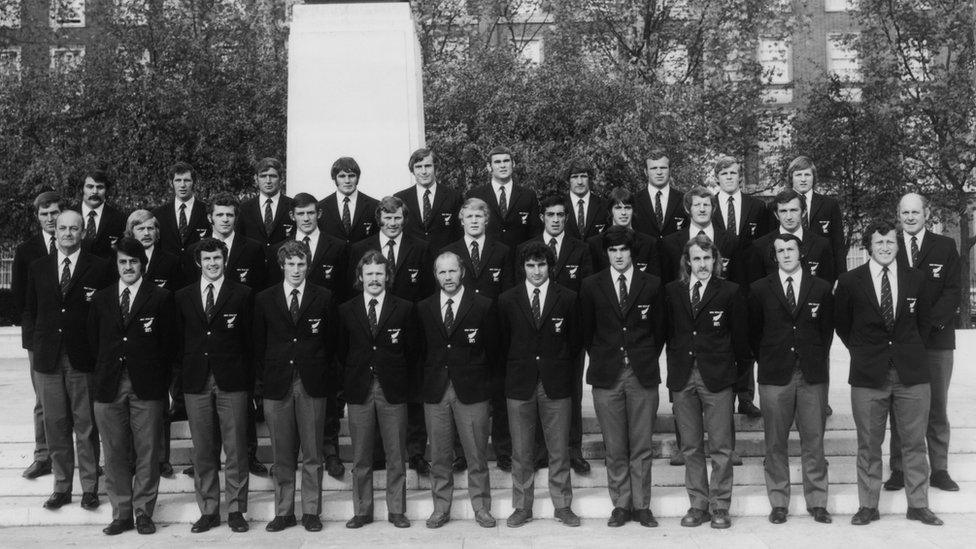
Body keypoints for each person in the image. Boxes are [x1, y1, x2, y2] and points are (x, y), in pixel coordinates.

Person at [835, 220, 943, 526]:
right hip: (869, 375)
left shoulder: (917, 279)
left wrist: (905, 351)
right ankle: (868, 506)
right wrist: (866, 352)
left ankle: (918, 504)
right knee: (868, 444)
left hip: (912, 374)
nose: (885, 247)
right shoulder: (850, 280)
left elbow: (924, 324)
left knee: (913, 442)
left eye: (890, 243)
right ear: (869, 245)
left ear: (898, 245)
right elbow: (843, 324)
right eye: (879, 242)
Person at [24, 210, 113, 511]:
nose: (67, 234)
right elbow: (30, 312)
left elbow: (105, 317)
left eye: (74, 229)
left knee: (85, 425)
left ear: (83, 232)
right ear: (55, 231)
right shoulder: (38, 267)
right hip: (48, 359)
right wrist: (35, 349)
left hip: (82, 358)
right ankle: (62, 487)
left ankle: (90, 488)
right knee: (56, 424)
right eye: (62, 228)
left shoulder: (99, 268)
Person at [88, 237, 176, 535]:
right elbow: (92, 344)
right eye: (123, 262)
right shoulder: (101, 299)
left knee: (148, 451)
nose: (128, 267)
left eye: (134, 261)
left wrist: (160, 384)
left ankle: (143, 512)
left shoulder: (161, 298)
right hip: (109, 385)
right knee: (113, 451)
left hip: (147, 386)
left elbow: (169, 347)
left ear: (143, 264)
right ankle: (121, 512)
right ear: (116, 265)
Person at [580, 226, 665, 528]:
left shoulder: (652, 284)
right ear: (607, 253)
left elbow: (660, 330)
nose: (618, 255)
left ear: (632, 252)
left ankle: (642, 505)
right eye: (613, 250)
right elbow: (586, 332)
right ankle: (621, 504)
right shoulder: (591, 285)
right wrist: (608, 356)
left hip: (641, 373)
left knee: (641, 444)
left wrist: (640, 357)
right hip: (607, 374)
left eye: (623, 250)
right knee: (614, 445)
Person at [747, 233, 834, 525]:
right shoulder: (760, 289)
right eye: (780, 250)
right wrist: (769, 359)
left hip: (811, 373)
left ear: (800, 252)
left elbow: (826, 332)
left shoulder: (820, 288)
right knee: (775, 441)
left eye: (791, 249)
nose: (786, 254)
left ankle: (818, 502)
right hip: (775, 374)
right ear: (775, 256)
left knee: (814, 440)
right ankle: (779, 502)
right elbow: (753, 332)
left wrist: (812, 358)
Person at [253, 240, 338, 532]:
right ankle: (284, 511)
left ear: (308, 265)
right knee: (282, 453)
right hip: (277, 385)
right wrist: (263, 383)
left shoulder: (324, 297)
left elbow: (331, 344)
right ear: (282, 265)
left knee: (313, 452)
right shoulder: (265, 299)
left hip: (311, 383)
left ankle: (311, 511)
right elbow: (257, 345)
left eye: (301, 264)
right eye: (291, 264)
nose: (296, 269)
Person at [665, 234, 749, 529]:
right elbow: (667, 334)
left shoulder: (730, 291)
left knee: (721, 446)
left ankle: (720, 505)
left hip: (717, 377)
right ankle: (697, 504)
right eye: (696, 258)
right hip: (683, 376)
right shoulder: (672, 292)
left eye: (707, 258)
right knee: (690, 446)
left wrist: (738, 382)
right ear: (688, 261)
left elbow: (741, 342)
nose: (702, 264)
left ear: (716, 261)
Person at [499, 242, 582, 528]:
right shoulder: (508, 299)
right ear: (523, 267)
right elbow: (501, 343)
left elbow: (574, 344)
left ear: (551, 266)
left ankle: (563, 505)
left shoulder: (568, 298)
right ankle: (522, 506)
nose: (537, 271)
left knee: (559, 449)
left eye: (542, 265)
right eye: (531, 265)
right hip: (520, 383)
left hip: (555, 382)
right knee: (521, 450)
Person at [349, 196, 433, 475]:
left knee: (411, 388)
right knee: (374, 394)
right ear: (379, 219)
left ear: (404, 219)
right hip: (373, 330)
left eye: (397, 218)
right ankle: (376, 455)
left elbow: (426, 290)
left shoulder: (420, 248)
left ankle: (417, 451)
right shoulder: (362, 248)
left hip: (409, 325)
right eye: (388, 218)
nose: (393, 223)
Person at [267, 192, 348, 480]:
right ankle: (287, 461)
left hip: (322, 332)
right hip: (289, 343)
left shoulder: (336, 246)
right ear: (293, 216)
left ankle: (331, 453)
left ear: (319, 214)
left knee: (326, 402)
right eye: (301, 214)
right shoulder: (280, 250)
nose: (306, 218)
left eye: (311, 213)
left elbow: (343, 291)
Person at [175, 238, 254, 534]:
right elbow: (176, 343)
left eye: (217, 259)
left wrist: (250, 385)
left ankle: (236, 509)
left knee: (235, 449)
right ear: (199, 262)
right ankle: (208, 510)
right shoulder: (183, 297)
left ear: (225, 259)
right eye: (207, 259)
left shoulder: (243, 294)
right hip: (196, 381)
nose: (212, 264)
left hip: (232, 381)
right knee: (204, 450)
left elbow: (250, 343)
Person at [417, 251, 499, 529]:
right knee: (439, 455)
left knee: (476, 453)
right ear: (435, 275)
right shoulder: (424, 307)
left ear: (462, 272)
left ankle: (482, 507)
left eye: (452, 271)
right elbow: (419, 353)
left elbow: (493, 352)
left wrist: (487, 388)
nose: (448, 277)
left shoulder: (483, 305)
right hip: (436, 391)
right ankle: (441, 508)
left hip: (473, 390)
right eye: (442, 272)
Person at [885, 193, 961, 493]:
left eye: (916, 212)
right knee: (899, 407)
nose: (911, 217)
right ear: (899, 214)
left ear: (926, 213)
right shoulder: (888, 246)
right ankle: (899, 469)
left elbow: (953, 291)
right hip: (902, 342)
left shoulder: (945, 246)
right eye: (905, 213)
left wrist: (928, 327)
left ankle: (939, 469)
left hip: (937, 341)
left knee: (937, 406)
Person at [338, 250, 419, 529]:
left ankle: (397, 510)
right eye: (369, 274)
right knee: (361, 455)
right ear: (360, 277)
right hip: (359, 388)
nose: (374, 279)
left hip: (393, 389)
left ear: (388, 276)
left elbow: (413, 352)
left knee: (396, 453)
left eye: (379, 273)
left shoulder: (404, 308)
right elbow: (340, 353)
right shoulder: (346, 310)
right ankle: (362, 510)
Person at [517, 194, 593, 474]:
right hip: (535, 337)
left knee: (570, 393)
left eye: (561, 215)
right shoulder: (527, 249)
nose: (556, 219)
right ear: (542, 217)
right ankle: (540, 452)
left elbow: (586, 293)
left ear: (567, 218)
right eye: (551, 215)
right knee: (535, 391)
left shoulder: (580, 248)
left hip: (568, 335)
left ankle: (573, 450)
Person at [440, 197, 514, 471]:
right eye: (468, 217)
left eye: (478, 217)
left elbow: (507, 293)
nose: (473, 221)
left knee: (499, 388)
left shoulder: (502, 251)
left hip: (494, 329)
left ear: (487, 220)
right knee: (462, 389)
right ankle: (461, 452)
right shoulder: (449, 251)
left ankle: (504, 450)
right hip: (461, 331)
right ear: (461, 220)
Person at [125, 209, 182, 477]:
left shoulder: (171, 262)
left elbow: (178, 301)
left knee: (160, 404)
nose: (146, 233)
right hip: (131, 343)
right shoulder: (123, 261)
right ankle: (133, 459)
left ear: (157, 233)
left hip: (160, 341)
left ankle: (161, 458)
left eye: (151, 229)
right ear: (131, 233)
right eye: (140, 229)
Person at [12, 190, 63, 480]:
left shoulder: (76, 243)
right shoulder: (26, 250)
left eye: (54, 213)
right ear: (38, 217)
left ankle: (83, 456)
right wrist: (32, 336)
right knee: (43, 398)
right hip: (40, 337)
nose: (49, 219)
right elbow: (21, 299)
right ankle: (43, 455)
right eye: (44, 214)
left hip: (71, 334)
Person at [751, 189, 836, 284]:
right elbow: (757, 289)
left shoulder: (821, 244)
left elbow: (827, 287)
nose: (789, 217)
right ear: (776, 214)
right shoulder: (760, 246)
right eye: (783, 211)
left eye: (794, 210)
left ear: (803, 212)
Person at [465, 146, 542, 249]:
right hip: (488, 257)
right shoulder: (475, 195)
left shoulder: (528, 195)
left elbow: (535, 233)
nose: (502, 166)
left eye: (506, 161)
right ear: (489, 167)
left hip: (519, 258)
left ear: (513, 164)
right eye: (497, 162)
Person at [781, 155, 846, 275]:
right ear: (791, 178)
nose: (803, 179)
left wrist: (841, 277)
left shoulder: (830, 205)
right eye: (798, 175)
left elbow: (838, 245)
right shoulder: (779, 206)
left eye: (807, 175)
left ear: (814, 178)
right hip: (789, 272)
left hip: (824, 273)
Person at [394, 148, 464, 252]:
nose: (423, 172)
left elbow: (460, 233)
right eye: (418, 167)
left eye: (428, 166)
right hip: (412, 259)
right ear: (412, 170)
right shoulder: (401, 198)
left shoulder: (454, 196)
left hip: (444, 261)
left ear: (436, 168)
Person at [586, 187, 661, 276]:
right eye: (618, 208)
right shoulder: (595, 244)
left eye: (627, 208)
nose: (623, 213)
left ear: (633, 210)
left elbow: (655, 282)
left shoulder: (649, 243)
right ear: (610, 211)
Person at [318, 156, 380, 245]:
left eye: (351, 176)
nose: (347, 181)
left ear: (358, 178)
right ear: (334, 178)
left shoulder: (374, 206)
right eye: (342, 176)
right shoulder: (321, 207)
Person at [153, 162, 210, 256]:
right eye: (178, 180)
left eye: (187, 180)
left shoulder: (206, 211)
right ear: (171, 183)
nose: (182, 185)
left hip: (197, 268)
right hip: (168, 269)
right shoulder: (158, 214)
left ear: (194, 182)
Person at [237, 157, 295, 250]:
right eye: (263, 176)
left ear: (281, 179)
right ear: (256, 179)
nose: (268, 181)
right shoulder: (244, 209)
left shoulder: (292, 206)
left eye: (273, 176)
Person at [632, 148, 689, 238]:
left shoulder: (684, 200)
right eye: (654, 168)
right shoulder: (634, 201)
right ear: (646, 172)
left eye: (663, 167)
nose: (659, 172)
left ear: (670, 170)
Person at [712, 155, 769, 242]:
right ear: (716, 179)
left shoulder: (757, 206)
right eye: (724, 174)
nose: (729, 177)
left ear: (741, 177)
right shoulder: (708, 204)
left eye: (733, 173)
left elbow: (764, 240)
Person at [77, 168, 125, 260]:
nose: (95, 191)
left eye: (100, 187)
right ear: (82, 189)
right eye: (90, 187)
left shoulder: (119, 219)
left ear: (106, 190)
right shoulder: (68, 215)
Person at [564, 160, 608, 242]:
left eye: (583, 176)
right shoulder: (559, 205)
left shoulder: (604, 205)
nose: (580, 182)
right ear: (568, 180)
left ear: (590, 179)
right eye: (575, 177)